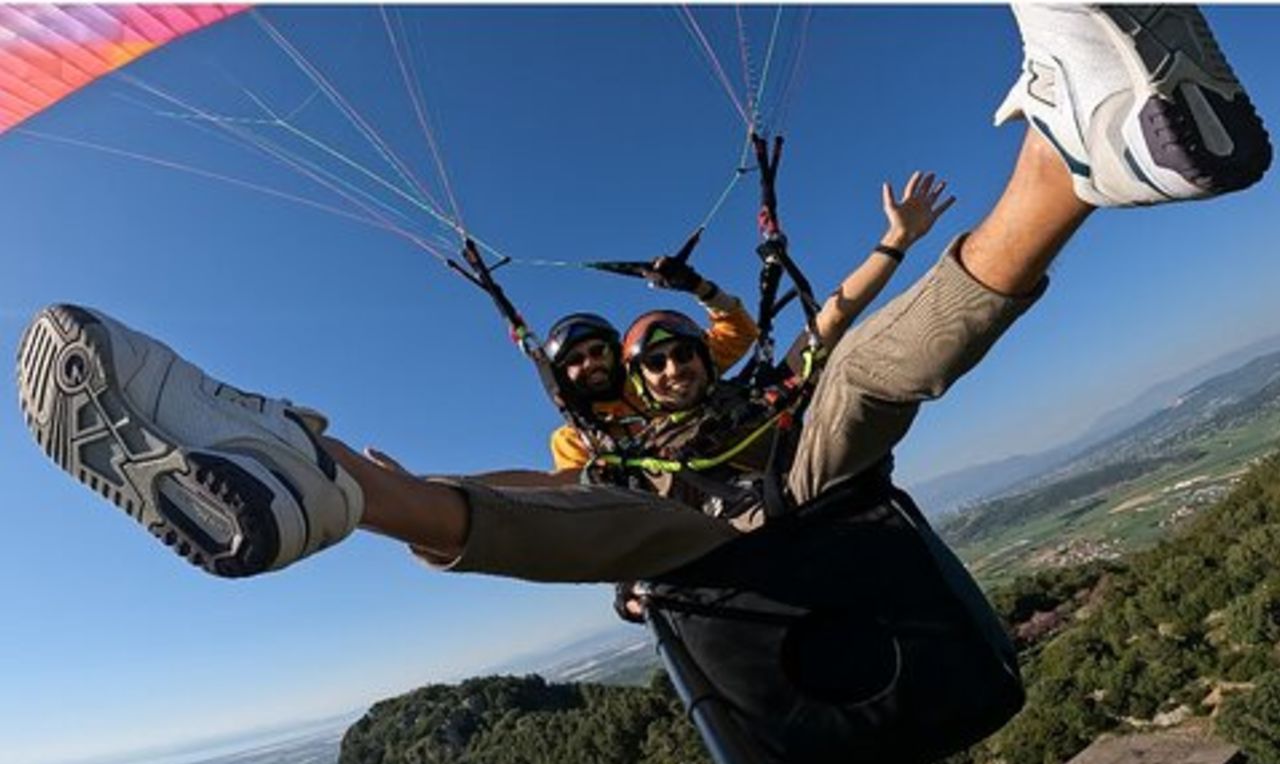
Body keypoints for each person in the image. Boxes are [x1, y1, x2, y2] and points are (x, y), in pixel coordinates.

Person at [18, 5, 1271, 585]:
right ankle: (331, 485)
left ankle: (1088, 156)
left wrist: (887, 247)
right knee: (597, 523)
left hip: (801, 480)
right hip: (692, 543)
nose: (670, 371)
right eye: (655, 362)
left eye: (677, 355)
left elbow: (837, 326)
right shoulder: (602, 445)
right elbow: (548, 490)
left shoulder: (748, 384)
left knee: (871, 375)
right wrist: (437, 482)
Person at [541, 266, 758, 473]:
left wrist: (699, 287)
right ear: (562, 375)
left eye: (598, 351)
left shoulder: (656, 376)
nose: (590, 363)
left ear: (618, 353)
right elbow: (580, 495)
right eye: (575, 360)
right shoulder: (574, 438)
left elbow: (739, 333)